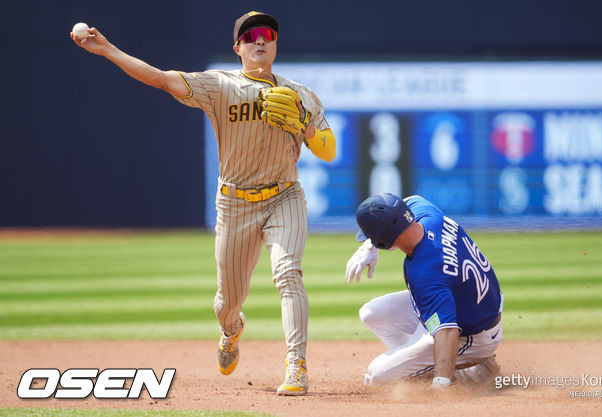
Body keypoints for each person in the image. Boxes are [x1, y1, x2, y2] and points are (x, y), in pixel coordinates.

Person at [71, 11, 337, 396]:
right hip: (235, 205)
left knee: (287, 273)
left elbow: (328, 149)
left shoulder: (302, 95)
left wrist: (305, 126)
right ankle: (231, 330)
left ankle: (296, 366)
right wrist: (108, 49)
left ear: (275, 43)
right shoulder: (219, 86)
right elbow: (160, 78)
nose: (259, 40)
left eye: (266, 34)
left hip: (285, 196)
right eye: (249, 36)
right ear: (238, 48)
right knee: (227, 302)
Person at [346, 193, 503, 388]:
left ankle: (471, 372)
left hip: (473, 336)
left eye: (372, 238)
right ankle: (421, 360)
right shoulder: (427, 215)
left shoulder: (425, 271)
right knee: (370, 314)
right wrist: (369, 246)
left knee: (377, 377)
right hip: (464, 305)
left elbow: (448, 331)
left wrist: (441, 384)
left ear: (383, 241)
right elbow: (409, 200)